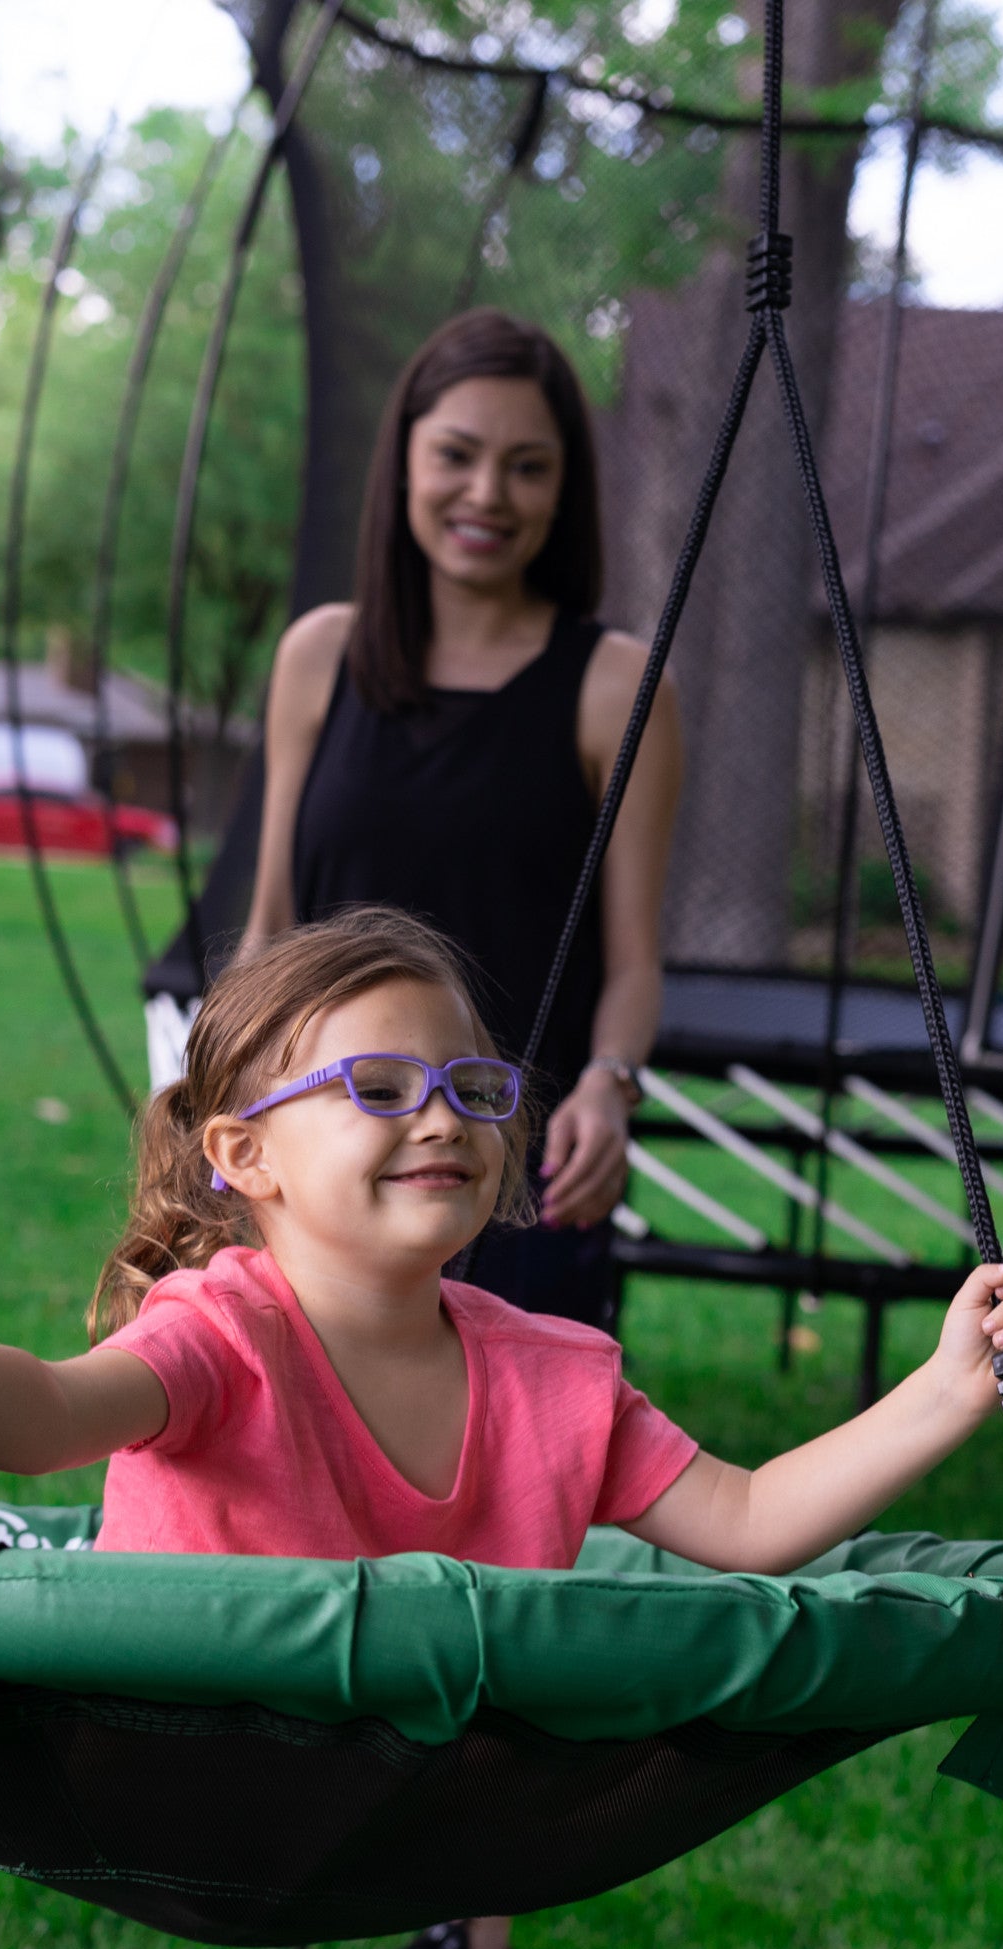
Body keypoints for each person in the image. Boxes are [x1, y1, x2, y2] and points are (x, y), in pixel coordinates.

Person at [0, 910, 1003, 1949]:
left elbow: (747, 1521)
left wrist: (948, 1390)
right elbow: (45, 1416)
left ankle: (465, 1947)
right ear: (243, 1155)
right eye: (378, 1086)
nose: (441, 1118)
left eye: (471, 1087)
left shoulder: (557, 1375)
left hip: (426, 1805)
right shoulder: (222, 1332)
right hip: (197, 1773)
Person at [146, 307, 681, 1336]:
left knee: (504, 1470)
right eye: (458, 456)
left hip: (504, 1161)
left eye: (528, 467)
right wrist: (210, 1112)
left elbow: (634, 961)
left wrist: (609, 1089)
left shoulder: (619, 687)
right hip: (324, 1156)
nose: (487, 494)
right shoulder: (321, 657)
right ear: (404, 465)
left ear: (564, 491)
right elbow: (269, 931)